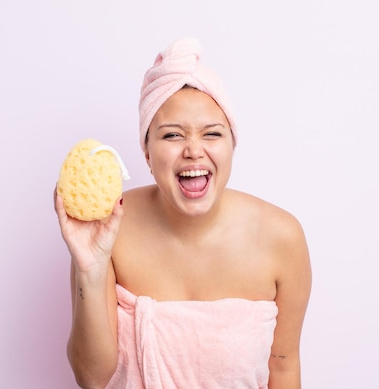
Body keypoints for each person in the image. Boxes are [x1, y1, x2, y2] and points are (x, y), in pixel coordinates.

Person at [55, 36, 312, 389]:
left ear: (231, 146)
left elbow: (283, 368)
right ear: (146, 153)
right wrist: (90, 268)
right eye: (173, 135)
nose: (194, 151)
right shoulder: (108, 231)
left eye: (212, 134)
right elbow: (91, 378)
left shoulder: (282, 238)